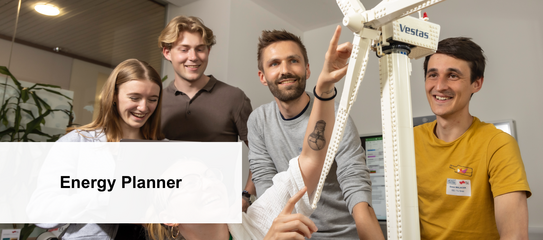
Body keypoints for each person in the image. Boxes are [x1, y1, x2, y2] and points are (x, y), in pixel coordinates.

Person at [145, 25, 351, 240]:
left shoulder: (256, 223)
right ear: (168, 216)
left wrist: (325, 88)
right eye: (190, 182)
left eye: (211, 176)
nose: (209, 184)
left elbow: (309, 160)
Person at [248, 29, 383, 239]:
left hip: (341, 234)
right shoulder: (258, 120)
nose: (285, 70)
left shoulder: (336, 114)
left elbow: (355, 183)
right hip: (292, 234)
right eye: (274, 64)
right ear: (262, 77)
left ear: (307, 69)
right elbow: (266, 187)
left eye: (293, 60)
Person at [414, 37, 532, 239]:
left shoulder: (498, 144)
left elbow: (515, 236)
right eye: (433, 75)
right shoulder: (409, 140)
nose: (440, 86)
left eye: (452, 76)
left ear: (476, 83)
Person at [34, 59, 164, 240]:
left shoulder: (161, 148)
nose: (143, 107)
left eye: (152, 99)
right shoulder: (77, 142)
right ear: (114, 96)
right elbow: (42, 213)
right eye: (134, 97)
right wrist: (104, 197)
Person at [157, 16, 255, 211]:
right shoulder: (155, 101)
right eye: (184, 49)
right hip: (168, 212)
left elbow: (260, 153)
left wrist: (245, 196)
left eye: (200, 49)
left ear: (208, 51)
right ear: (167, 53)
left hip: (218, 209)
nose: (193, 57)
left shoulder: (234, 97)